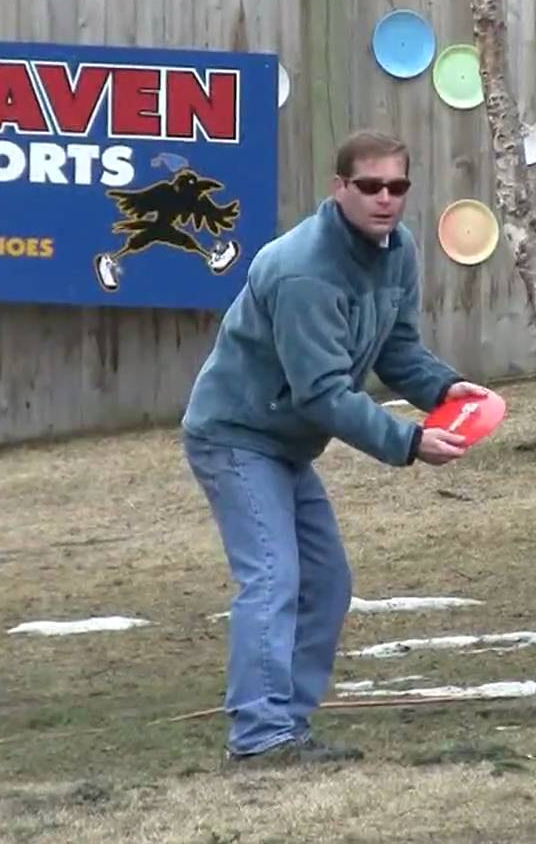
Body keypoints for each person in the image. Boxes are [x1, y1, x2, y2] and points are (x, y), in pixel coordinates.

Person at [180, 128, 493, 768]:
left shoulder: (397, 249)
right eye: (370, 186)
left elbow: (397, 348)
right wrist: (408, 441)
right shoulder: (302, 269)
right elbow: (321, 392)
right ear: (339, 188)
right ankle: (259, 738)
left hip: (285, 444)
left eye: (397, 187)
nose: (386, 199)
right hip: (235, 436)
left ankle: (284, 727)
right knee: (273, 577)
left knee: (326, 583)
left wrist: (443, 386)